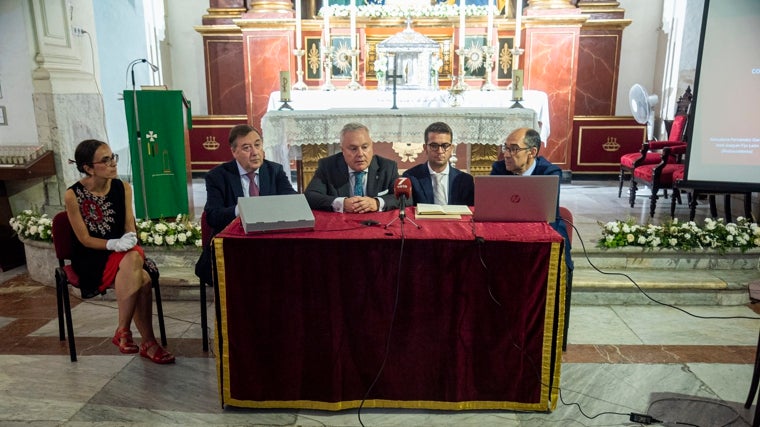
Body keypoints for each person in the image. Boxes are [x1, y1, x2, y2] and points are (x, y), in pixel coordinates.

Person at [65, 139, 174, 364]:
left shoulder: (123, 187)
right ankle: (148, 343)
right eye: (105, 160)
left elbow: (128, 226)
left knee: (133, 255)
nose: (113, 163)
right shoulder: (73, 195)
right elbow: (84, 239)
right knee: (142, 279)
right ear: (88, 168)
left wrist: (129, 237)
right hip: (92, 257)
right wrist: (111, 244)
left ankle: (123, 331)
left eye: (113, 157)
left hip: (124, 252)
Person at [195, 124, 297, 284]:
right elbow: (213, 216)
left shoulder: (274, 171)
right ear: (234, 152)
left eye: (257, 145)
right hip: (234, 247)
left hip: (270, 245)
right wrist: (241, 209)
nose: (255, 152)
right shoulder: (217, 177)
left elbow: (292, 201)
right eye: (246, 148)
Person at [490, 127, 573, 272]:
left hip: (544, 226)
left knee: (557, 254)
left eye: (514, 149)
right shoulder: (499, 169)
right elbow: (493, 208)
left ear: (532, 152)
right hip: (506, 228)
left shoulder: (549, 173)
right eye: (506, 148)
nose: (507, 155)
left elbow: (546, 213)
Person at [305, 122, 402, 213]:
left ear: (371, 146)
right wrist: (341, 203)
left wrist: (377, 203)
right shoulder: (328, 166)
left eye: (364, 147)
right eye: (353, 149)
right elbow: (310, 196)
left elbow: (405, 197)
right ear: (343, 150)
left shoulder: (388, 167)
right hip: (341, 224)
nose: (360, 154)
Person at [402, 122, 474, 206]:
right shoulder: (411, 178)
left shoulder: (465, 180)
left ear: (451, 148)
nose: (440, 151)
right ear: (425, 148)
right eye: (434, 145)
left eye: (445, 145)